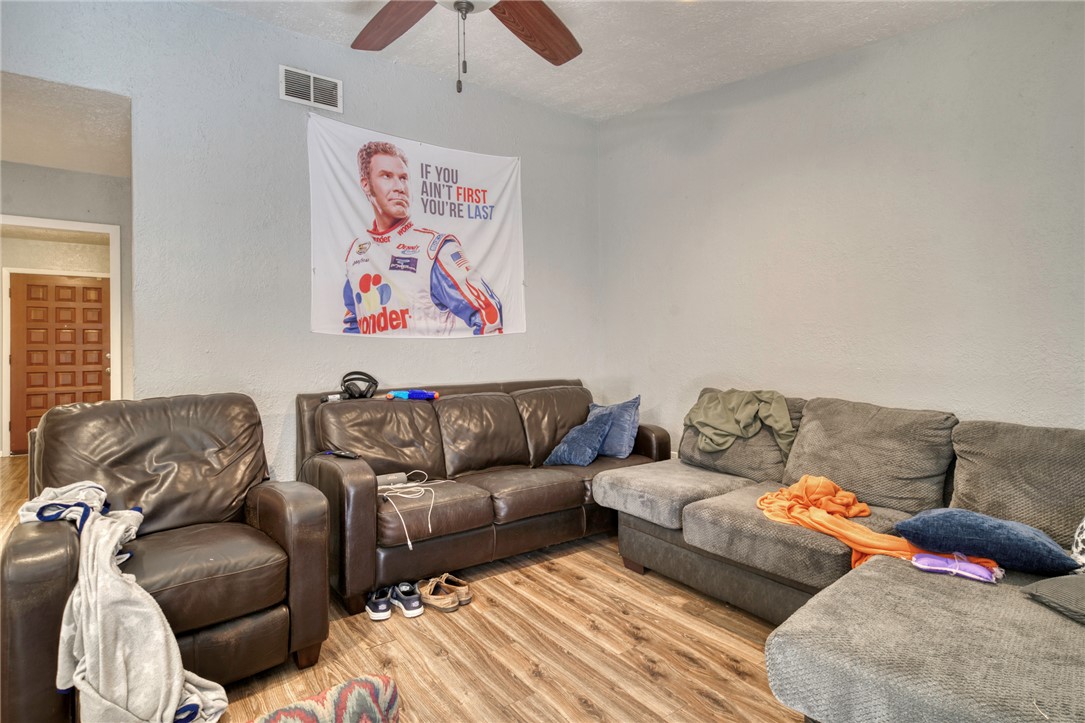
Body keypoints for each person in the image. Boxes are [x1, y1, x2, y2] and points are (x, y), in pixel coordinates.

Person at [342, 141, 503, 336]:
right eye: (386, 176)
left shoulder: (434, 248)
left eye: (403, 178)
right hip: (377, 366)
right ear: (366, 185)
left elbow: (489, 316)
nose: (399, 187)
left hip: (429, 365)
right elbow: (354, 325)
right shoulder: (357, 252)